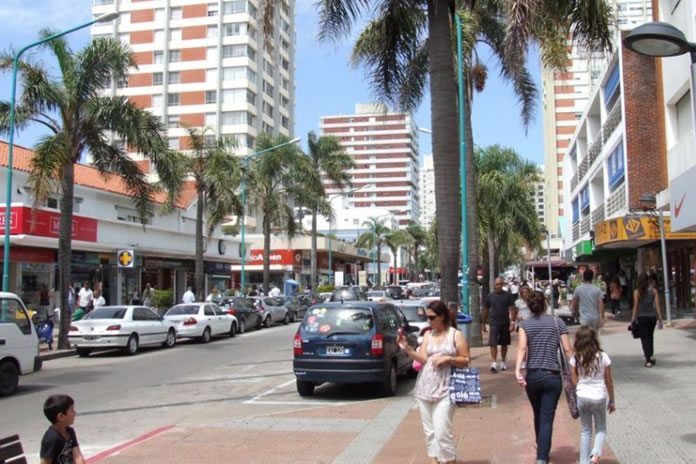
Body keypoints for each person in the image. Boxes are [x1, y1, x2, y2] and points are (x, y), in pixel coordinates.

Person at [397, 301, 470, 464]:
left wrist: (449, 358)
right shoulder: (428, 335)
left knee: (442, 431)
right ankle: (434, 460)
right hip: (425, 386)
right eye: (427, 317)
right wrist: (407, 348)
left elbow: (466, 359)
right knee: (430, 432)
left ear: (442, 316)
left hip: (446, 387)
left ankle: (448, 459)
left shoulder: (455, 334)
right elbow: (423, 358)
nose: (428, 321)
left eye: (432, 317)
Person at [515, 291, 572, 464]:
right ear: (545, 304)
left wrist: (517, 370)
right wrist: (576, 369)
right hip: (552, 374)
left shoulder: (525, 325)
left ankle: (541, 447)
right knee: (547, 417)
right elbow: (567, 349)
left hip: (533, 375)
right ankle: (542, 456)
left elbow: (522, 348)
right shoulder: (557, 322)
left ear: (530, 306)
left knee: (538, 414)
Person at [570, 326, 616, 464]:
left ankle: (584, 461)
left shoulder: (576, 357)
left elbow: (573, 379)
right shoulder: (603, 356)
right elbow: (609, 381)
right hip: (598, 396)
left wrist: (580, 388)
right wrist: (612, 400)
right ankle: (595, 455)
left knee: (585, 431)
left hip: (582, 396)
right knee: (601, 428)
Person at [483, 277, 516, 372]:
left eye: (501, 284)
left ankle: (503, 362)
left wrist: (512, 322)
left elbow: (512, 308)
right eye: (497, 284)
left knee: (504, 343)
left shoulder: (508, 295)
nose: (499, 286)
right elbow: (486, 310)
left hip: (505, 322)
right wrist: (483, 323)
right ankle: (494, 362)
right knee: (493, 343)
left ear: (503, 284)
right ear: (495, 285)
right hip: (493, 322)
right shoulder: (490, 296)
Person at [40, 394, 85, 464]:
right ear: (61, 417)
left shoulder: (70, 431)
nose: (74, 413)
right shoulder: (51, 438)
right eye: (72, 410)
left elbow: (77, 456)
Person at [631, 274, 664, 368]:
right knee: (650, 336)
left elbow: (636, 306)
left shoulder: (637, 292)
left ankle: (648, 359)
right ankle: (650, 356)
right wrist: (660, 318)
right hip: (652, 317)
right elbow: (657, 306)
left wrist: (634, 319)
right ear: (648, 280)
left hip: (641, 318)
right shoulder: (654, 291)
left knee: (644, 338)